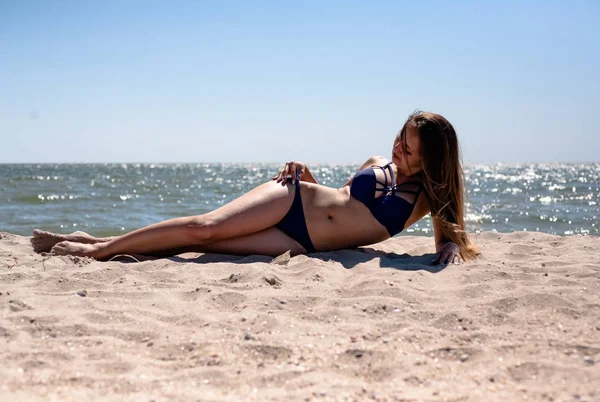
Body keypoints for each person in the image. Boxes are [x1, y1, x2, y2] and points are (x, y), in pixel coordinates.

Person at [31, 111, 478, 264]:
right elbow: (340, 197)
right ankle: (97, 249)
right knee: (206, 228)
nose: (398, 149)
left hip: (300, 244)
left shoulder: (426, 199)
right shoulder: (376, 162)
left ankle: (101, 242)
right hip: (293, 198)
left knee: (204, 250)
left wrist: (452, 248)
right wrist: (307, 175)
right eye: (400, 138)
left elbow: (448, 237)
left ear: (432, 161)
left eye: (410, 149)